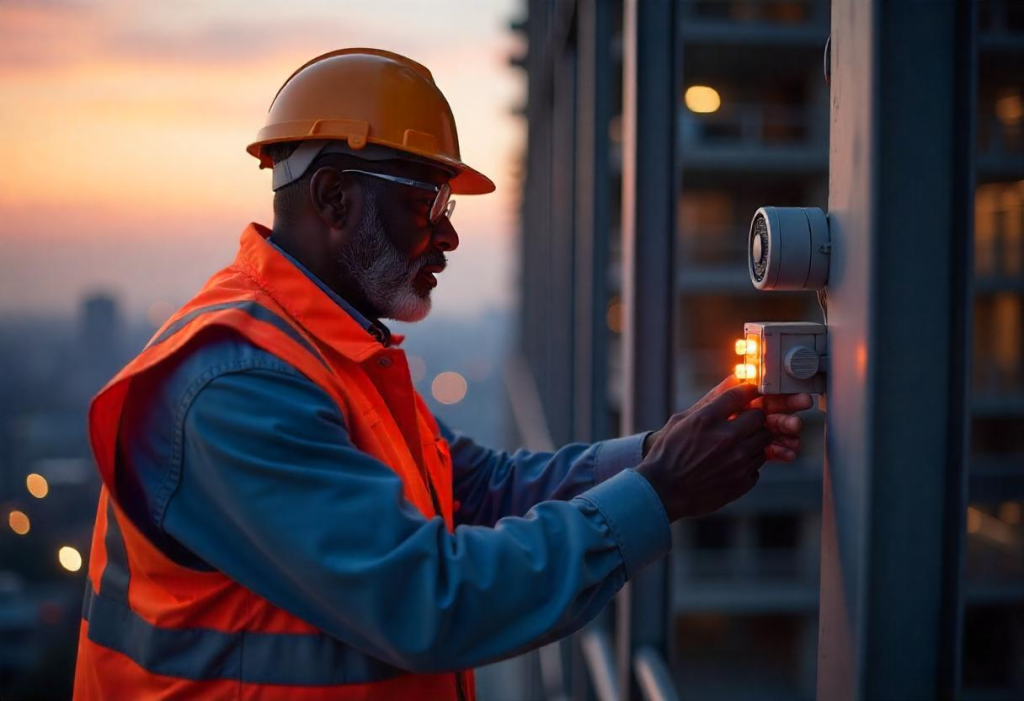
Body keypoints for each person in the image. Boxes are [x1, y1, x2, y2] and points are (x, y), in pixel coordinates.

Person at [72, 49, 811, 700]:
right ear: (333, 198)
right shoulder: (233, 386)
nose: (450, 234)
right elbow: (427, 601)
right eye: (427, 202)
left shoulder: (329, 353)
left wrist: (659, 452)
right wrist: (661, 490)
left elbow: (478, 489)